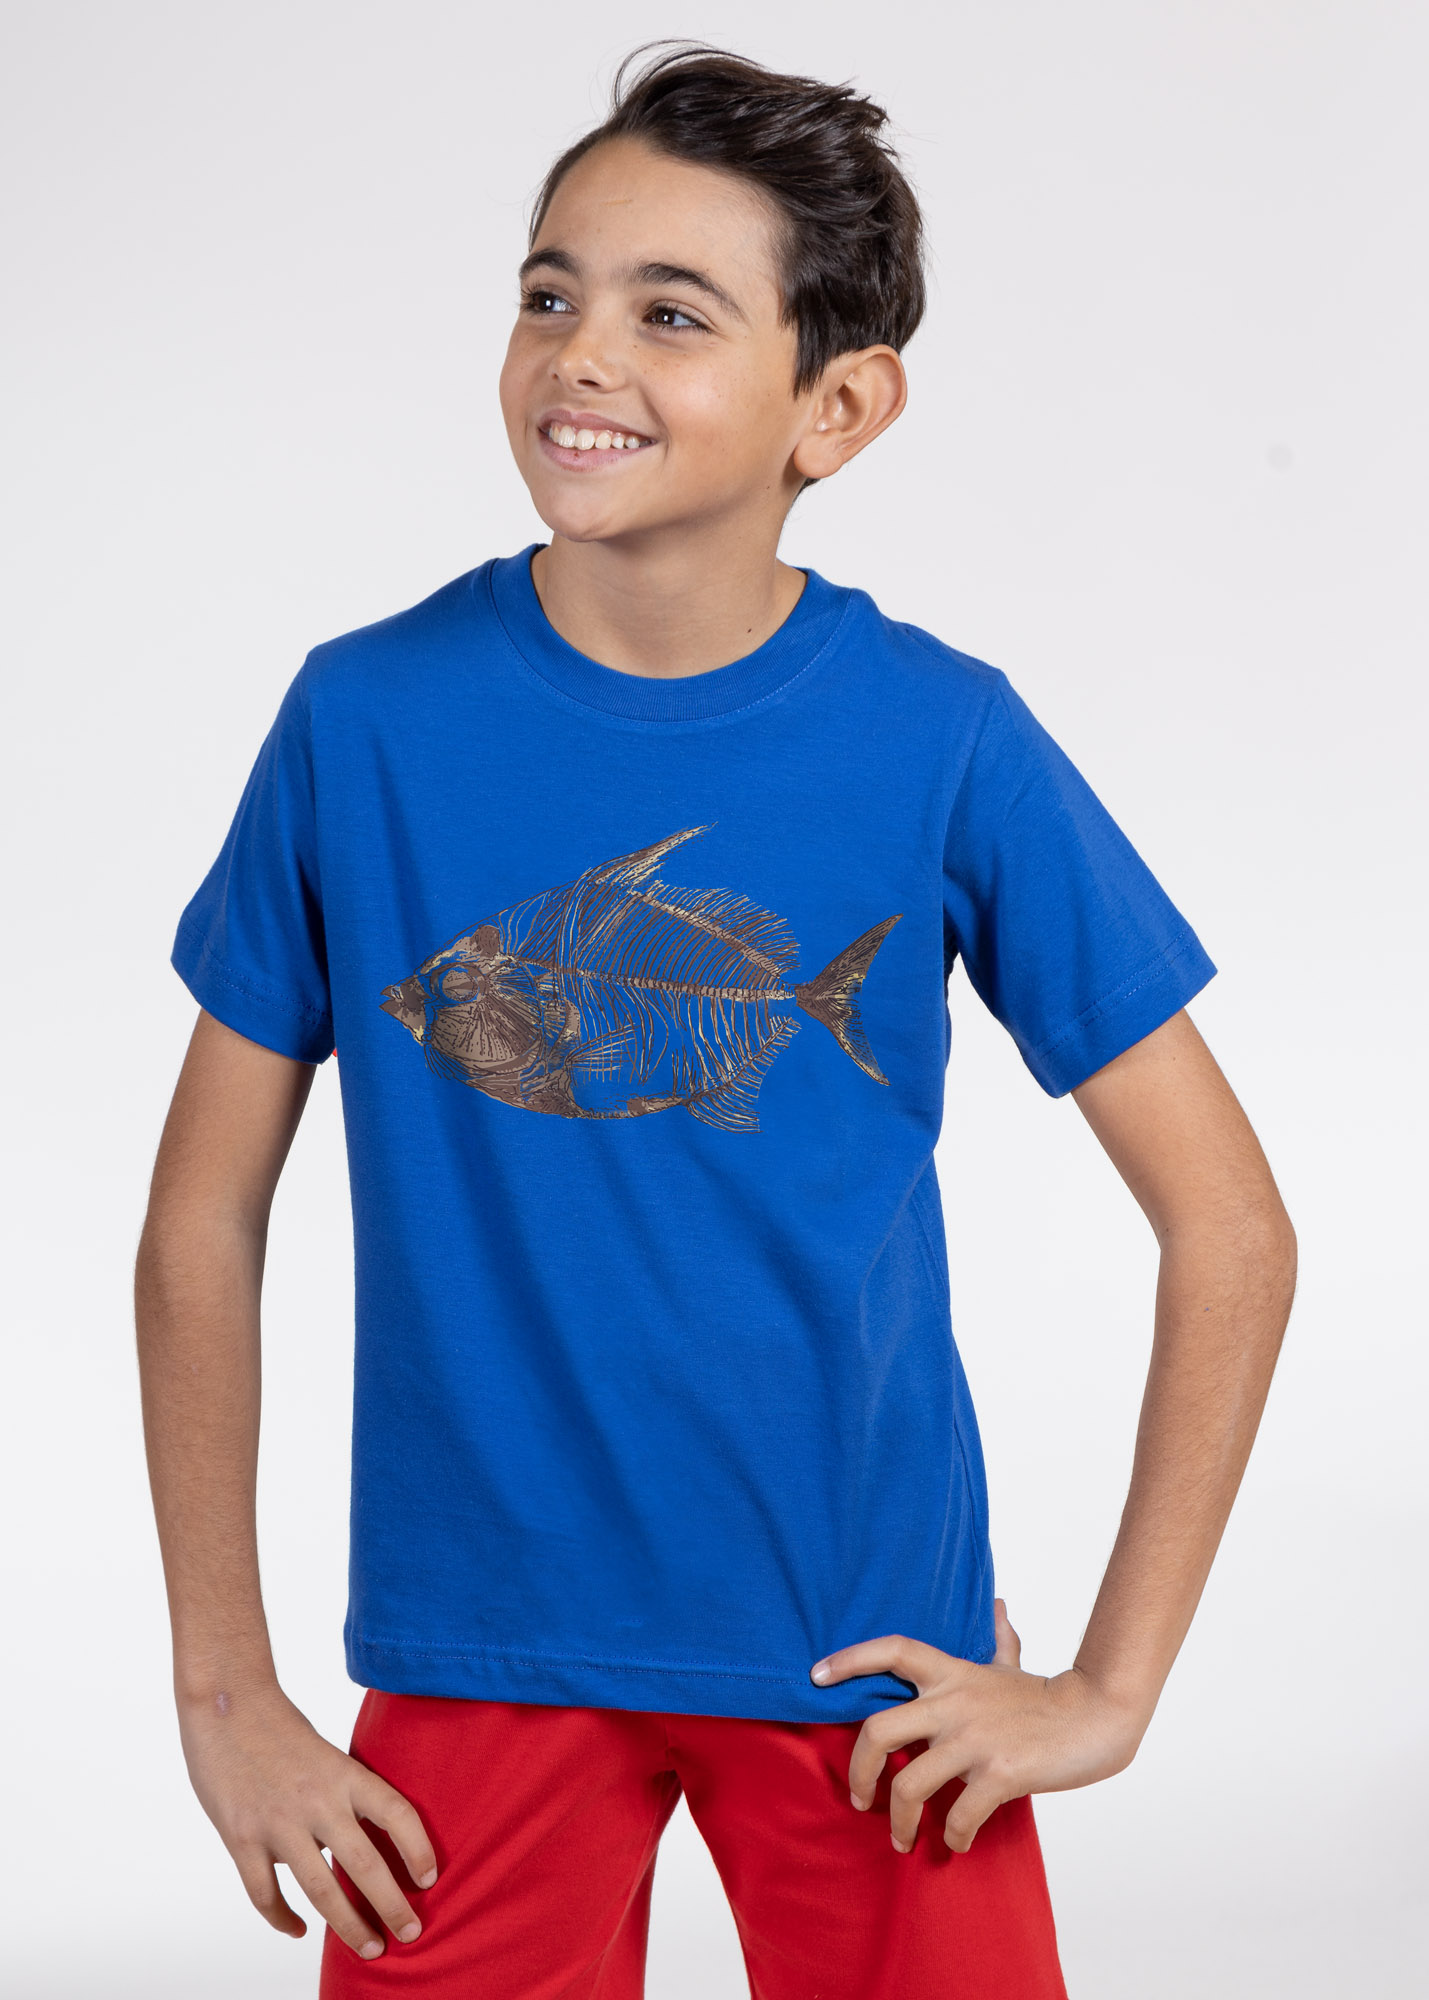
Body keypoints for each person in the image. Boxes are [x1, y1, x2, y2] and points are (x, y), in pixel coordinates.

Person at [134, 40, 1297, 2000]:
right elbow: (197, 1220)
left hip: (868, 1664)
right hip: (478, 1652)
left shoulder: (943, 736)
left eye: (670, 313)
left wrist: (1111, 1685)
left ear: (838, 405)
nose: (580, 355)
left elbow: (1232, 1225)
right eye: (549, 293)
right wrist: (225, 1689)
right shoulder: (363, 720)